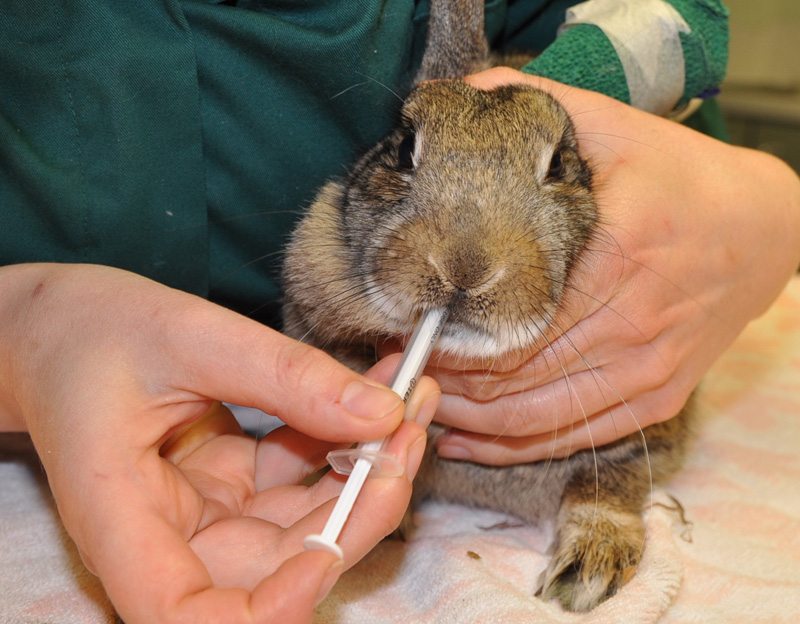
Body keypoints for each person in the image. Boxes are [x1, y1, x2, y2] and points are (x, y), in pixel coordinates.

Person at [2, 2, 799, 623]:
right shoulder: (330, 254)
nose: (464, 264)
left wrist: (763, 208)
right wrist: (22, 334)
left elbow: (682, 151)